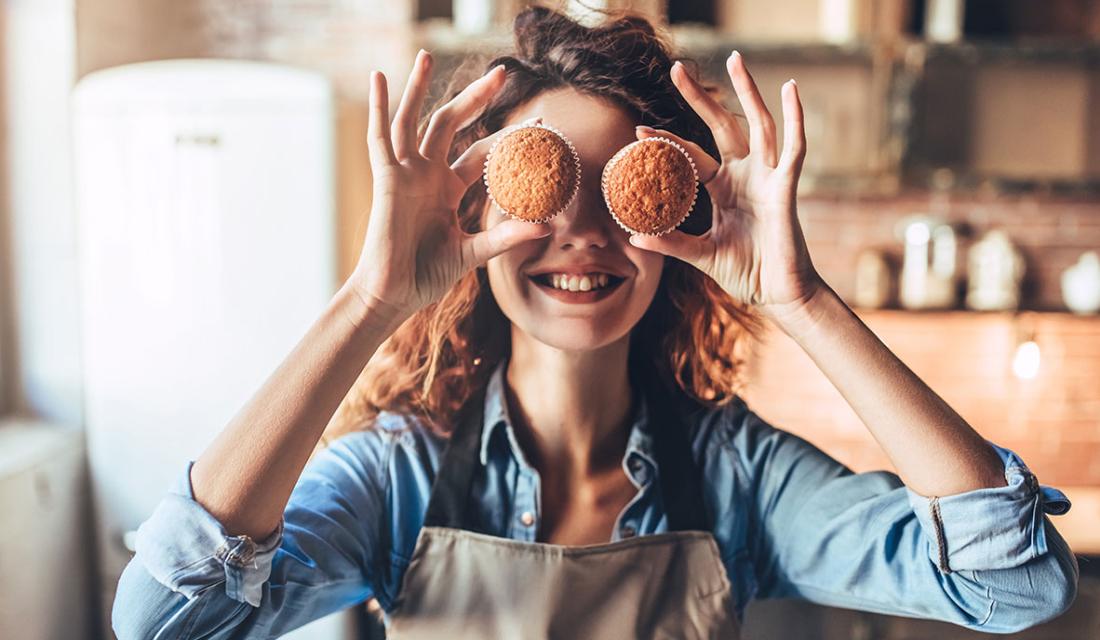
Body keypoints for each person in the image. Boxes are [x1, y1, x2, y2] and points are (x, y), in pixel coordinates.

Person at [112, 7, 1078, 639]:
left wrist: (803, 300)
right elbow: (161, 620)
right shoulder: (395, 481)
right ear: (477, 216)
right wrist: (372, 302)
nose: (581, 237)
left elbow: (1014, 585)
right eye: (543, 190)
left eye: (622, 196)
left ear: (673, 226)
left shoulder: (739, 479)